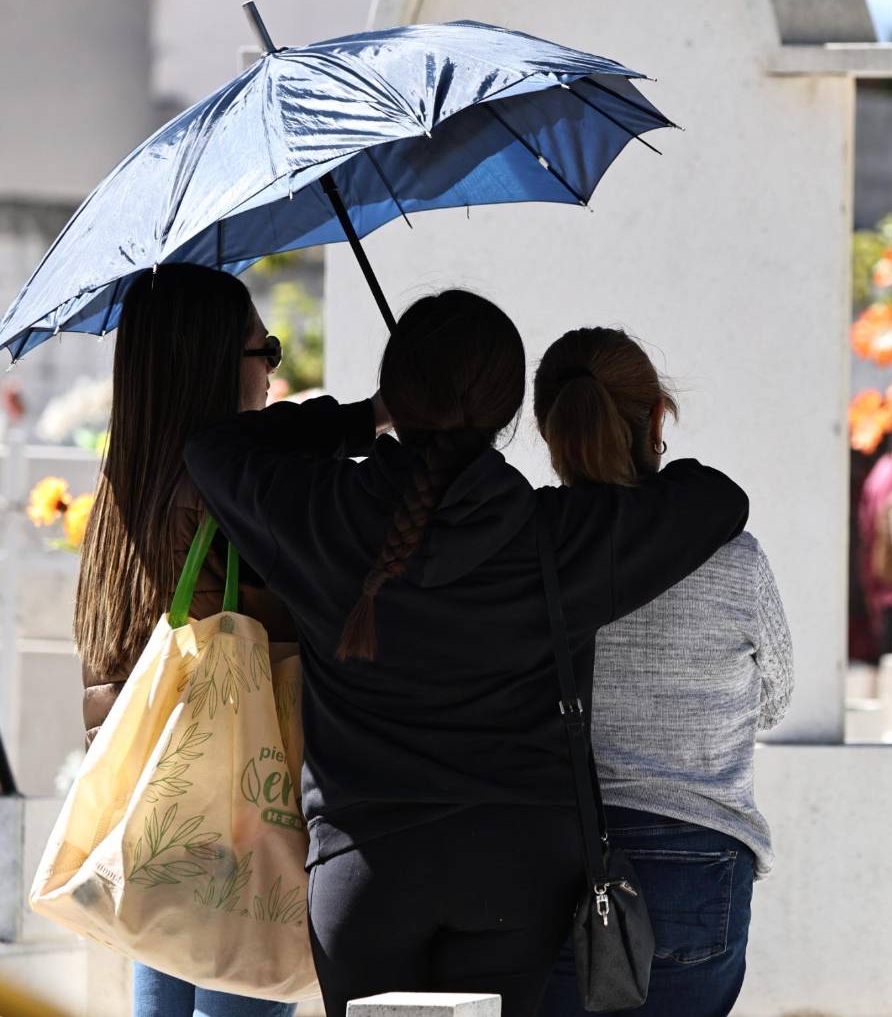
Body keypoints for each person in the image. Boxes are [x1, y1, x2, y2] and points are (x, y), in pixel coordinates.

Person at [182, 292, 748, 1017]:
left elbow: (214, 447)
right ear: (512, 410)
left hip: (363, 869)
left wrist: (366, 415)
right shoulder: (559, 538)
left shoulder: (319, 512)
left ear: (398, 388)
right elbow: (717, 498)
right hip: (521, 871)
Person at [531, 328, 792, 1017]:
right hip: (699, 861)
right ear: (656, 420)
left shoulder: (526, 551)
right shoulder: (736, 557)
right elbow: (775, 699)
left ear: (549, 430)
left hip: (559, 857)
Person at [73, 266, 298, 1017]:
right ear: (209, 362)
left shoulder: (121, 484)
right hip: (238, 813)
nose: (273, 365)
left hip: (154, 815)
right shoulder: (234, 490)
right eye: (260, 346)